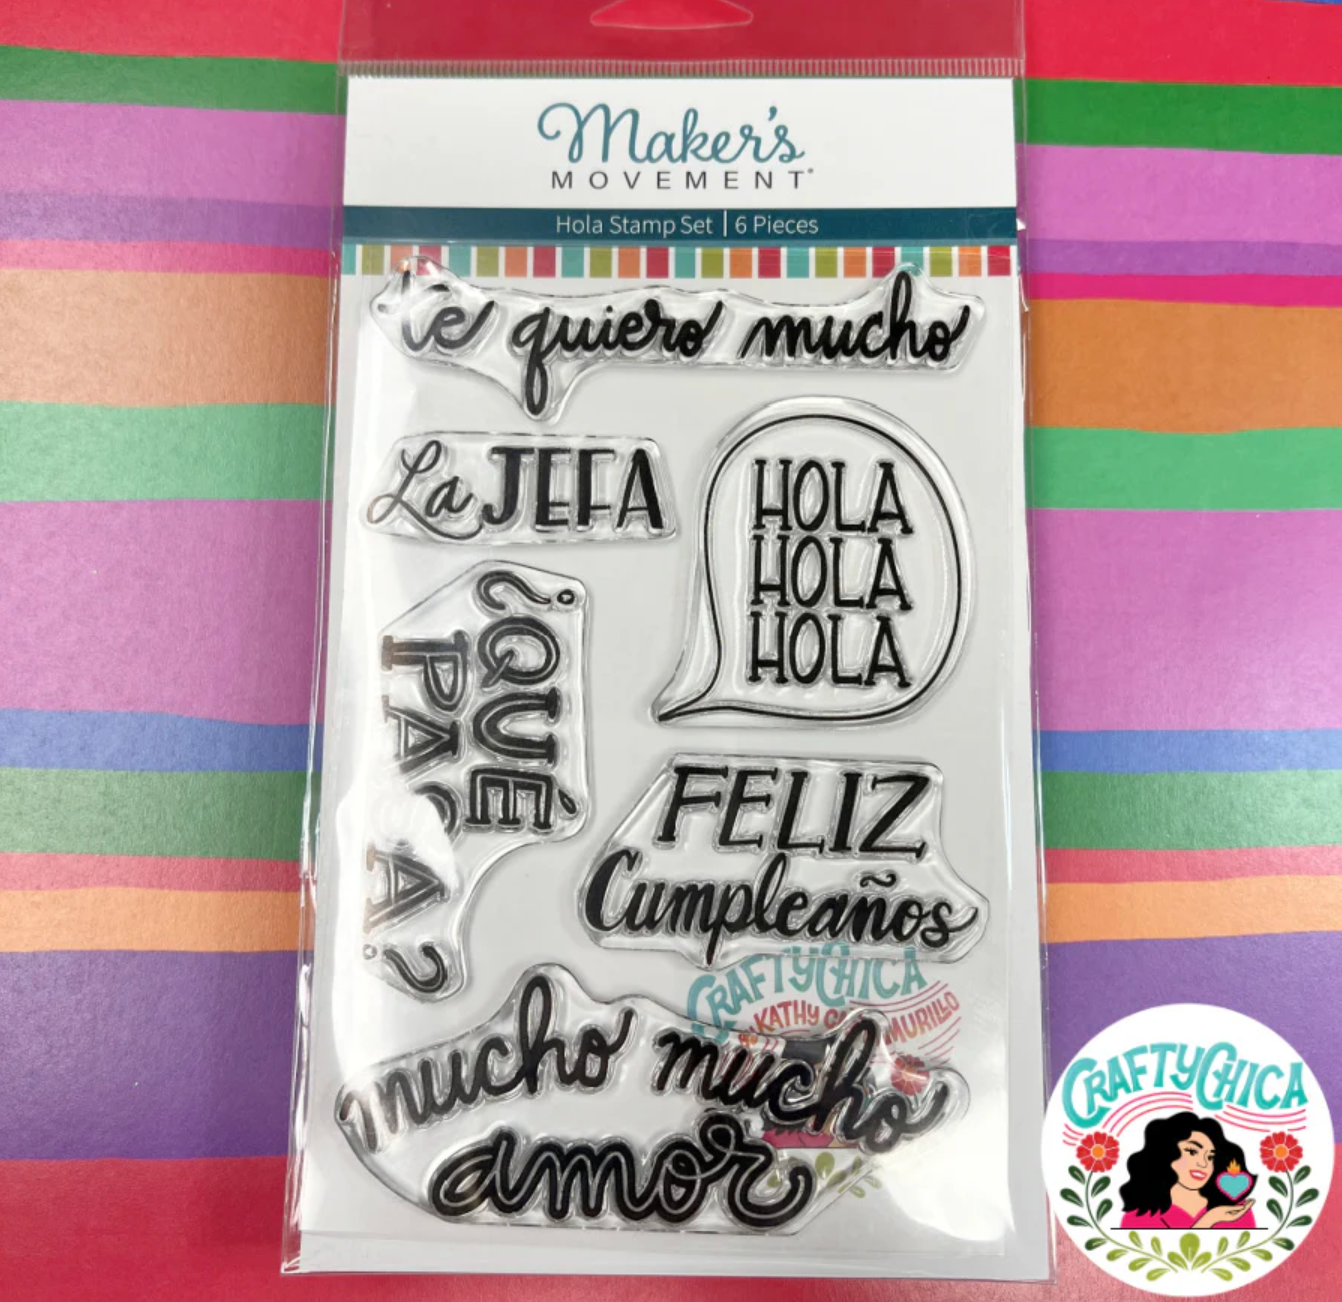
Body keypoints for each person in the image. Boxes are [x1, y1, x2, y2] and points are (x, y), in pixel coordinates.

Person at [1118, 1112, 1257, 1230]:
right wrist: (1209, 1220)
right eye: (1192, 1152)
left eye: (1210, 1157)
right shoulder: (1140, 1216)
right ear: (1166, 1152)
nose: (1203, 1164)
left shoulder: (1235, 1211)